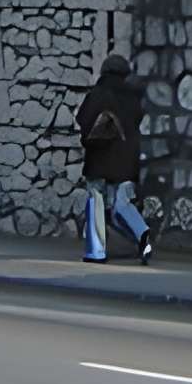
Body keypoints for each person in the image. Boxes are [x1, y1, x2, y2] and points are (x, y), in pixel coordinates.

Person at [76, 51, 152, 264]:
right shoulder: (133, 98)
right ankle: (142, 233)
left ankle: (96, 251)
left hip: (100, 158)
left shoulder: (98, 94)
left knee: (96, 201)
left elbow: (83, 119)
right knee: (122, 203)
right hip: (127, 161)